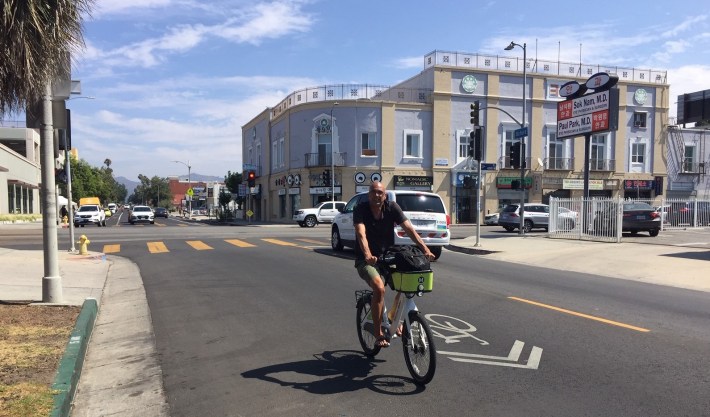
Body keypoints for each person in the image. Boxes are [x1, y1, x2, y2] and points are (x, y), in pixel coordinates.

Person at [354, 181, 435, 348]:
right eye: (374, 192)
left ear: (385, 195)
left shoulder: (392, 207)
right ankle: (378, 333)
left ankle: (394, 320)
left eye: (380, 193)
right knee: (379, 288)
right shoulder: (361, 209)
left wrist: (425, 249)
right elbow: (361, 234)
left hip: (387, 256)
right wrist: (368, 255)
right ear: (369, 194)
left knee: (405, 283)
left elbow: (409, 229)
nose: (377, 195)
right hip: (366, 260)